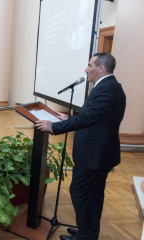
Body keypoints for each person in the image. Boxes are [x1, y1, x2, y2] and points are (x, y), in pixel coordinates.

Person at [35, 53, 126, 240]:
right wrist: (70, 118)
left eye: (89, 65)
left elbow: (89, 118)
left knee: (81, 194)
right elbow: (95, 117)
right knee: (93, 197)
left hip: (95, 156)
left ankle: (85, 236)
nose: (86, 69)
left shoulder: (107, 89)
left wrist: (54, 126)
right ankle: (88, 233)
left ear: (101, 68)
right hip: (99, 154)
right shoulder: (109, 86)